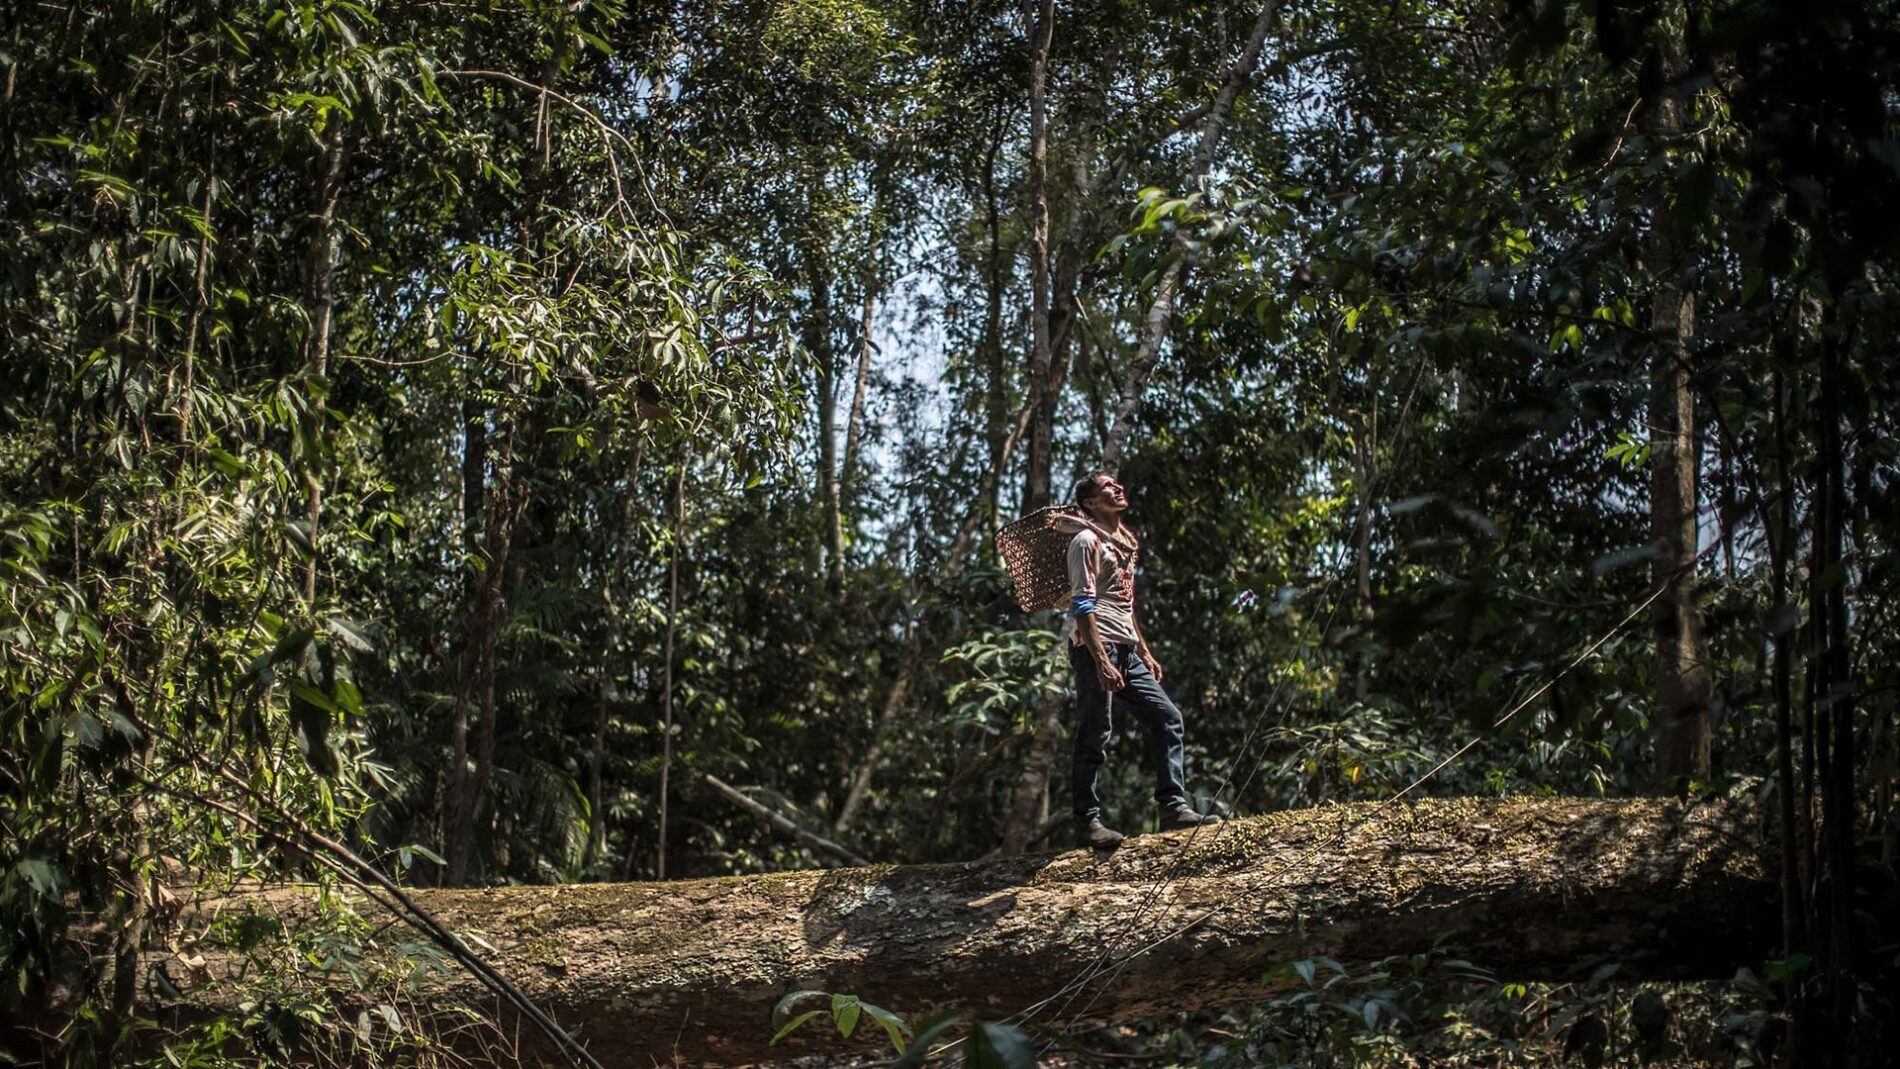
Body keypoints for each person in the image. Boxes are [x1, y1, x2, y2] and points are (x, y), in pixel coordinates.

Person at [1062, 471, 1220, 849]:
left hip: (1127, 649)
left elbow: (1125, 603)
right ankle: (1087, 821)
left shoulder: (1124, 544)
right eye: (1107, 488)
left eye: (1118, 483)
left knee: (1167, 718)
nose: (1118, 487)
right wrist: (1100, 659)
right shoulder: (1085, 541)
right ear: (1090, 503)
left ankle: (1173, 807)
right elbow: (1082, 603)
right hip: (1094, 646)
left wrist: (1143, 650)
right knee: (1095, 731)